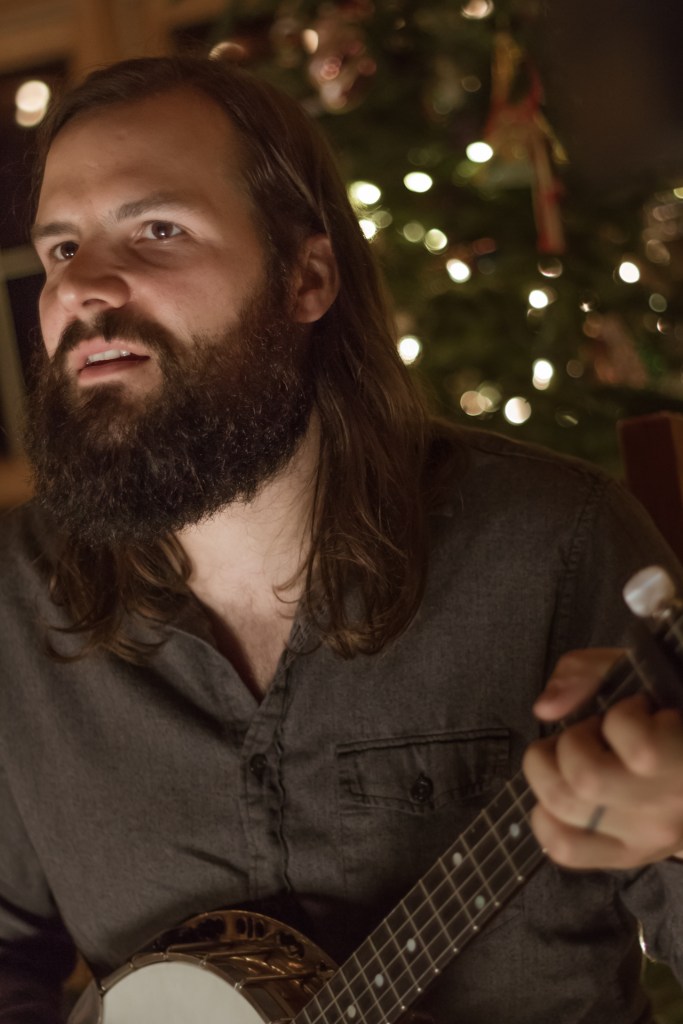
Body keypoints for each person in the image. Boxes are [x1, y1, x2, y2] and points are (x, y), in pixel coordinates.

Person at [0, 53, 681, 1024]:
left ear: (306, 276)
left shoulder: (552, 545)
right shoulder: (16, 599)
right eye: (62, 247)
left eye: (157, 230)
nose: (84, 286)